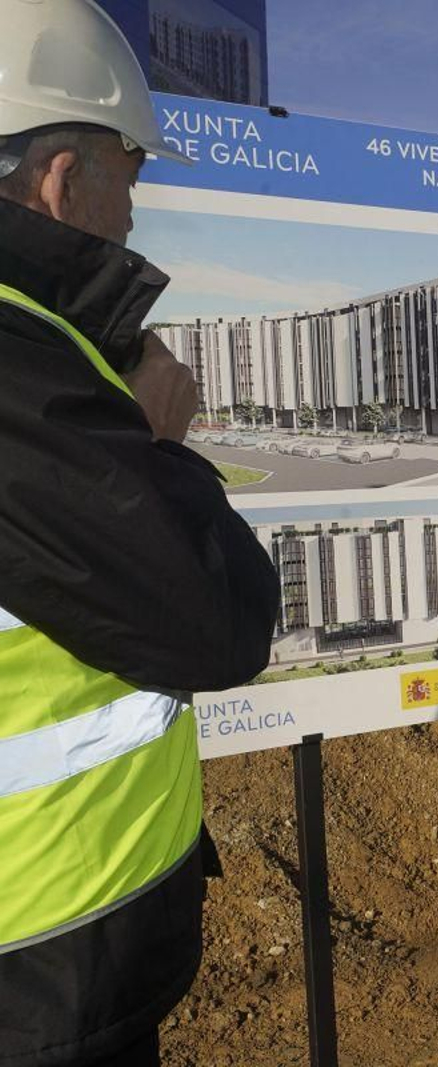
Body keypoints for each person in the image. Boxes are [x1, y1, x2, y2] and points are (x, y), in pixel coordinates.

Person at [0, 3, 280, 1064]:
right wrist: (157, 443)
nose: (131, 217)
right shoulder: (23, 377)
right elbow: (214, 625)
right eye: (131, 176)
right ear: (64, 179)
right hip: (45, 956)